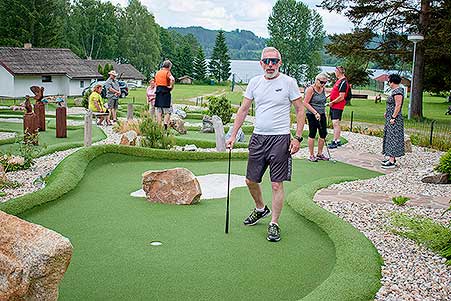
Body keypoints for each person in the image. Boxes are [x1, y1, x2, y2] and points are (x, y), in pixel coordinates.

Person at [226, 47, 306, 242]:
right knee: (250, 181)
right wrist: (233, 134)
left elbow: (300, 110)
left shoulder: (289, 82)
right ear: (261, 63)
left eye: (274, 61)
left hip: (280, 139)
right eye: (266, 61)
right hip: (258, 137)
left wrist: (297, 137)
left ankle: (274, 223)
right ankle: (261, 208)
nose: (270, 65)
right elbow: (244, 110)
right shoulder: (254, 82)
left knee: (276, 184)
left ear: (280, 62)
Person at [303, 73, 329, 162]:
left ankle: (320, 154)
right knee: (312, 133)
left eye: (325, 82)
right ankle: (311, 155)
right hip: (311, 114)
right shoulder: (311, 89)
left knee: (323, 133)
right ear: (316, 80)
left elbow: (323, 101)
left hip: (321, 113)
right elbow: (305, 103)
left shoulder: (323, 89)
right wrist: (315, 112)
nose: (323, 84)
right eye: (322, 82)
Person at [381, 74, 405, 169]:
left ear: (392, 82)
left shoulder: (398, 91)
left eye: (389, 81)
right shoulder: (395, 91)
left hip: (394, 119)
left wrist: (393, 117)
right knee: (389, 137)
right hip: (390, 117)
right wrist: (387, 113)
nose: (388, 83)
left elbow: (398, 105)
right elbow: (392, 105)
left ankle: (392, 161)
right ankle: (391, 158)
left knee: (393, 138)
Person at [326, 66, 349, 148]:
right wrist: (327, 96)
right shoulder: (339, 81)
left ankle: (334, 141)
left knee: (335, 123)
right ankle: (338, 140)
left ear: (339, 71)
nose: (335, 72)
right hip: (334, 105)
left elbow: (341, 97)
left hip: (337, 106)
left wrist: (332, 102)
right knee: (336, 123)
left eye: (336, 71)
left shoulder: (343, 82)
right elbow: (334, 91)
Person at [154, 60, 175, 129]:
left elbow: (155, 82)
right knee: (168, 111)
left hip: (158, 91)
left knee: (159, 110)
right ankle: (165, 124)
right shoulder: (167, 72)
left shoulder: (157, 72)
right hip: (165, 91)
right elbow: (172, 79)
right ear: (169, 66)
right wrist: (171, 86)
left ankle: (159, 125)